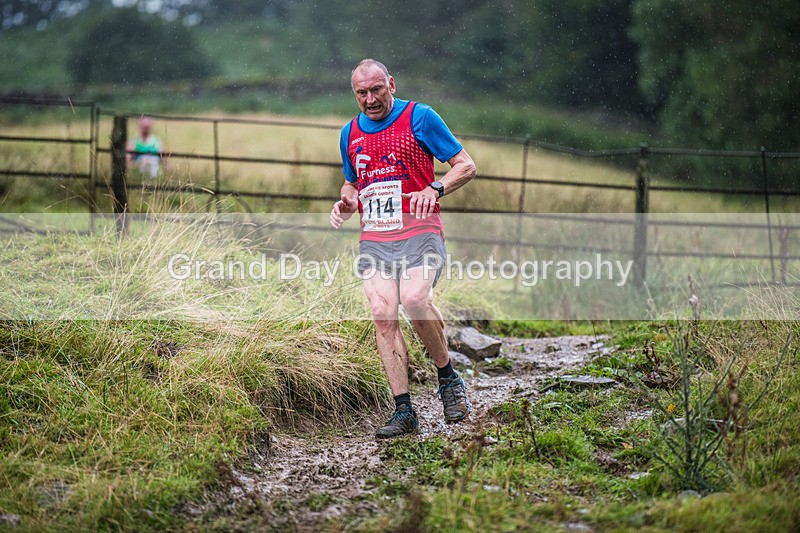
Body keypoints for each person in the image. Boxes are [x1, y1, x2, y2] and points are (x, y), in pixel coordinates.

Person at [330, 59, 477, 439]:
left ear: (391, 84)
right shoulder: (349, 133)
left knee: (413, 299)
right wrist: (345, 203)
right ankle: (404, 409)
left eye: (376, 89)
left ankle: (448, 379)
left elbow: (466, 165)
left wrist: (435, 189)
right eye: (361, 93)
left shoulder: (420, 116)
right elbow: (351, 183)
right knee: (382, 312)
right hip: (376, 240)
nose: (370, 99)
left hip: (421, 234)